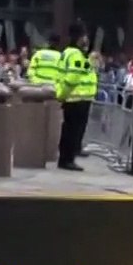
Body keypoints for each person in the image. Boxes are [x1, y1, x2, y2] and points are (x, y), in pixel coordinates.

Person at [56, 23, 98, 171]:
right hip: (76, 99)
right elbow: (73, 77)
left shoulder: (74, 53)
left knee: (70, 129)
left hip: (77, 98)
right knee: (72, 131)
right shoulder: (74, 54)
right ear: (79, 37)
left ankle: (67, 158)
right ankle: (67, 160)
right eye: (84, 36)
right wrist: (62, 95)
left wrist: (90, 63)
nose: (86, 39)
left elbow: (81, 70)